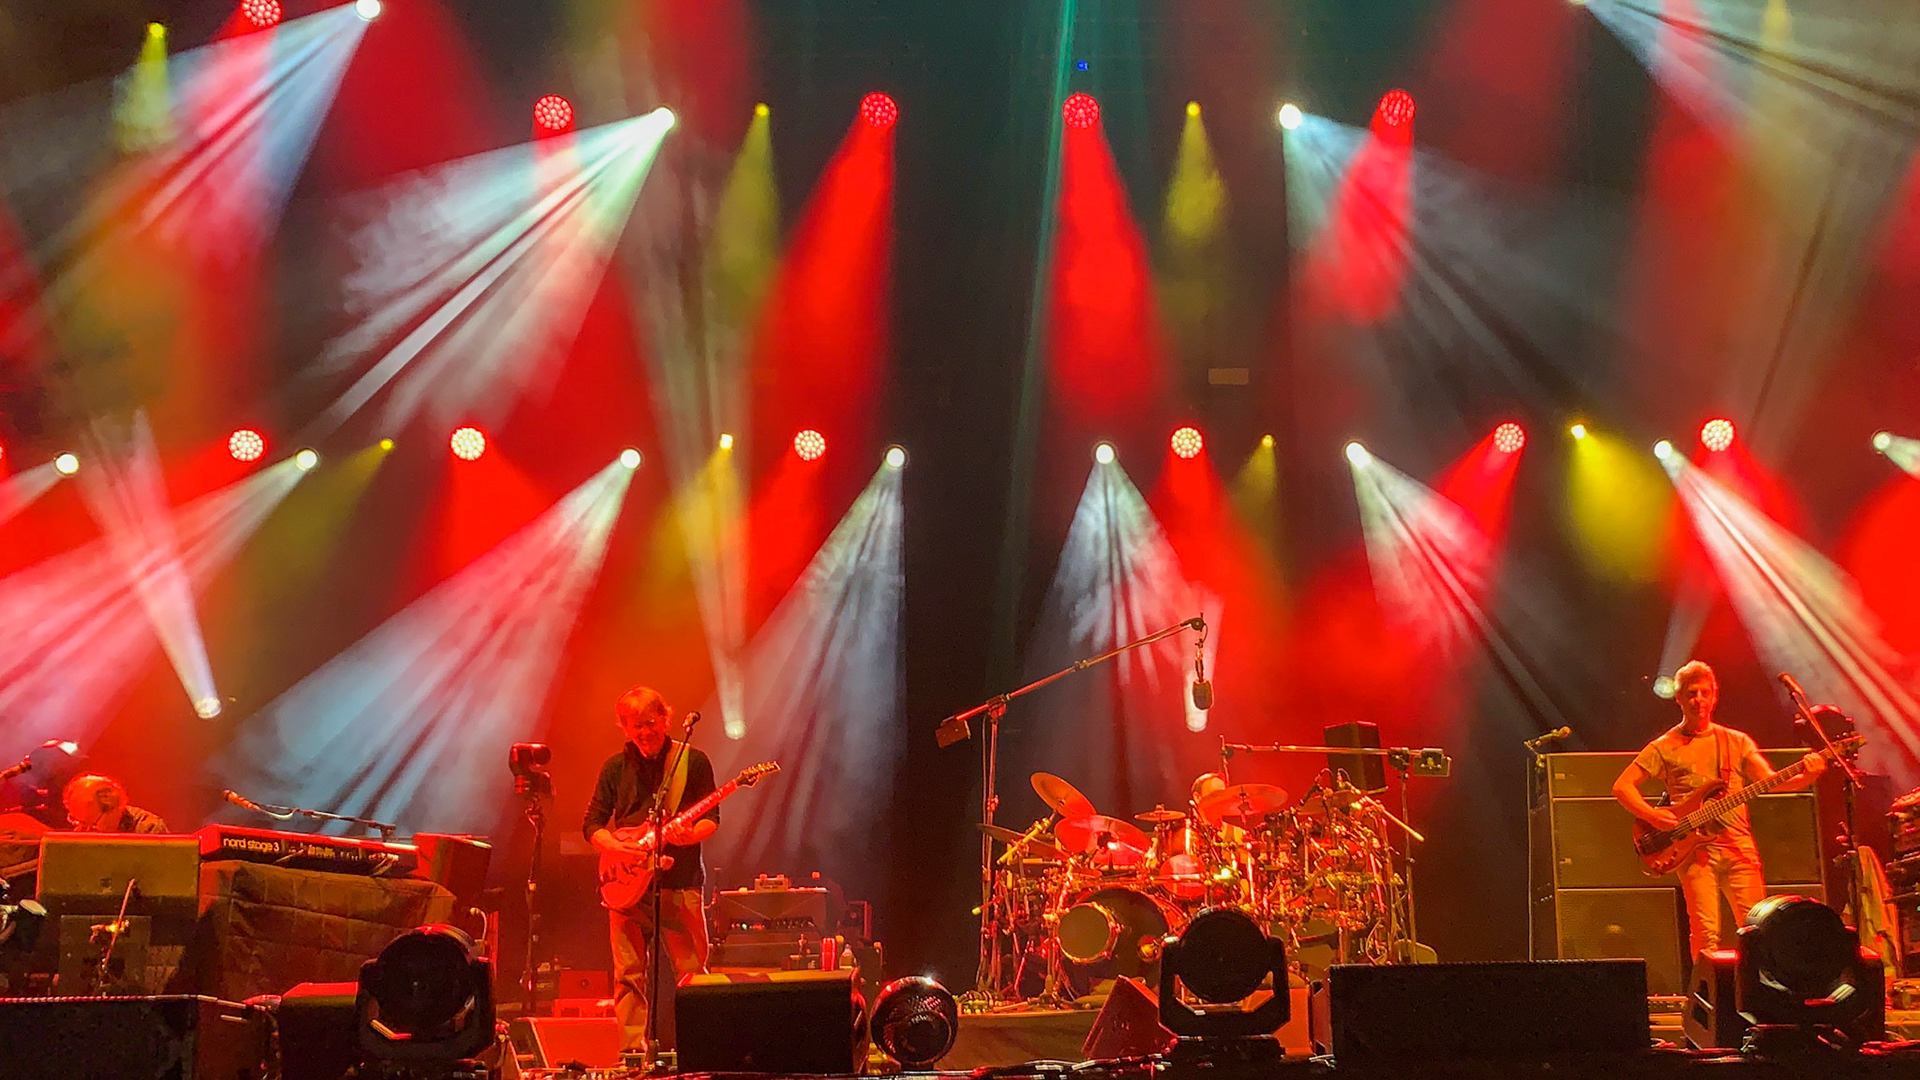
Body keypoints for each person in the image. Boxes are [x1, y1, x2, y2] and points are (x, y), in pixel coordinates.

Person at [1612, 661, 1825, 959]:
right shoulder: (1664, 746)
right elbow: (1622, 787)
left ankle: (1754, 985)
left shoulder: (1736, 741)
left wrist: (1808, 776)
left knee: (1758, 927)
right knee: (1706, 932)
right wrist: (1652, 815)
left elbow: (1768, 782)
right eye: (1691, 693)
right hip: (1695, 851)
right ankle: (1707, 988)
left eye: (1704, 692)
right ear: (1679, 698)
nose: (1698, 699)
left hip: (1738, 846)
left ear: (1714, 696)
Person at [583, 687, 718, 1056]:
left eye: (650, 723)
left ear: (665, 719)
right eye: (635, 726)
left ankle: (705, 1051)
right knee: (627, 975)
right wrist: (614, 847)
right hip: (625, 885)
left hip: (679, 883)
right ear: (625, 728)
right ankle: (632, 1055)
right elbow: (592, 823)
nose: (644, 732)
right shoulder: (614, 767)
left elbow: (712, 819)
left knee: (692, 974)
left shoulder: (692, 761)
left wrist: (689, 835)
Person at [62, 774, 169, 834]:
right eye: (77, 821)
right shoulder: (83, 829)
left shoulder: (149, 828)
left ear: (113, 809)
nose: (85, 830)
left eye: (93, 825)